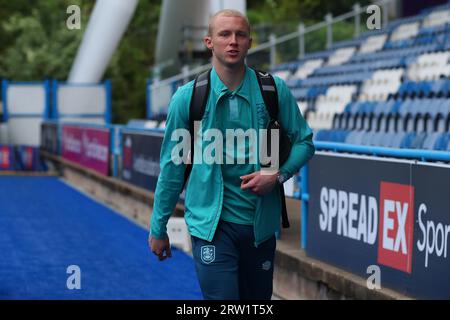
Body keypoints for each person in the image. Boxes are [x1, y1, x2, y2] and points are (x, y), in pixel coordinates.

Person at [148, 9, 315, 300]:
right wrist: (158, 226)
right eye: (224, 34)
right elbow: (173, 168)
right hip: (210, 228)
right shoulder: (188, 98)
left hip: (259, 228)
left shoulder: (273, 90)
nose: (233, 41)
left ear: (250, 42)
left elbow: (305, 143)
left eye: (240, 34)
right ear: (209, 42)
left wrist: (277, 176)